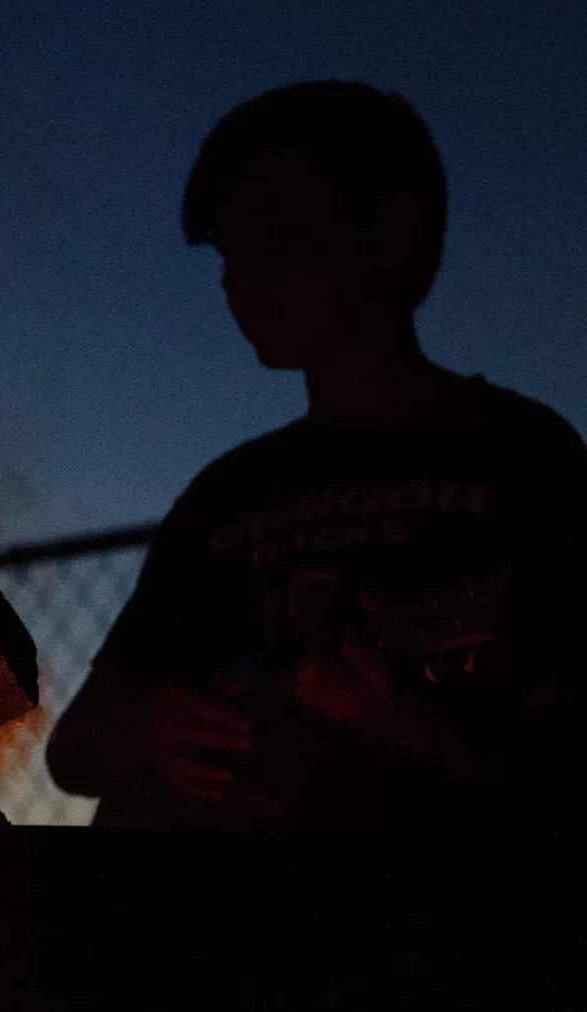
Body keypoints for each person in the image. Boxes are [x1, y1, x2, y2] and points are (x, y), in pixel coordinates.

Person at [46, 81, 587, 832]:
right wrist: (154, 730)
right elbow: (73, 752)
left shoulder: (524, 459)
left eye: (274, 236)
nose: (239, 279)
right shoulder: (228, 496)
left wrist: (400, 726)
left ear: (389, 232)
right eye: (230, 256)